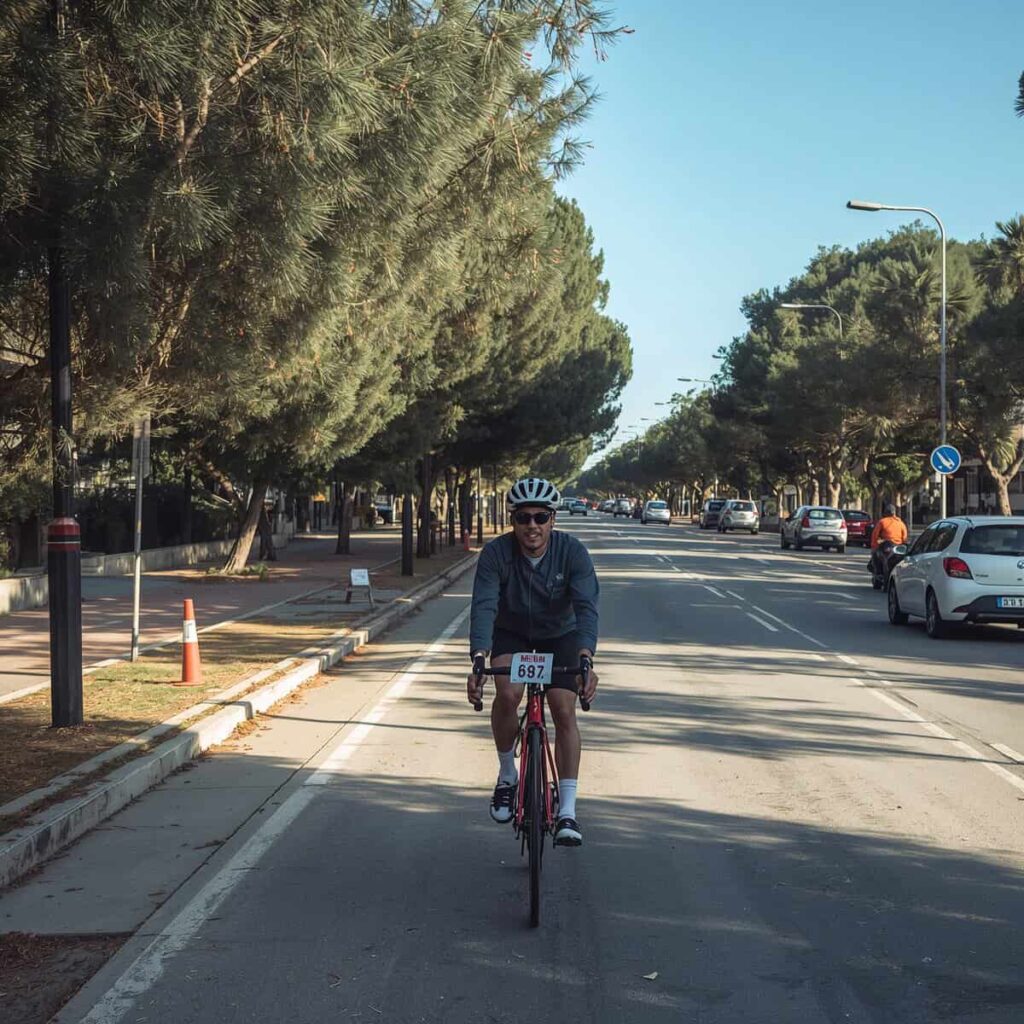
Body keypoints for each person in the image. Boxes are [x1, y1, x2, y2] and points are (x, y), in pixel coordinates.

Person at [466, 476, 599, 847]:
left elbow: (587, 608)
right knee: (507, 694)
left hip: (561, 635)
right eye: (523, 518)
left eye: (541, 517)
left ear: (553, 520)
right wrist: (478, 656)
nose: (532, 526)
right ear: (513, 521)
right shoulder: (495, 554)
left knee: (563, 708)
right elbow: (483, 607)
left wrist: (586, 656)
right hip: (512, 632)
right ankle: (508, 775)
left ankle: (568, 810)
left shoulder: (572, 553)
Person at [869, 503, 908, 577]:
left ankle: (878, 572)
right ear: (894, 513)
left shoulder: (882, 522)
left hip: (886, 546)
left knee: (875, 554)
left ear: (885, 513)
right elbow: (905, 538)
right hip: (898, 547)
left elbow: (875, 535)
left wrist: (874, 546)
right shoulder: (901, 523)